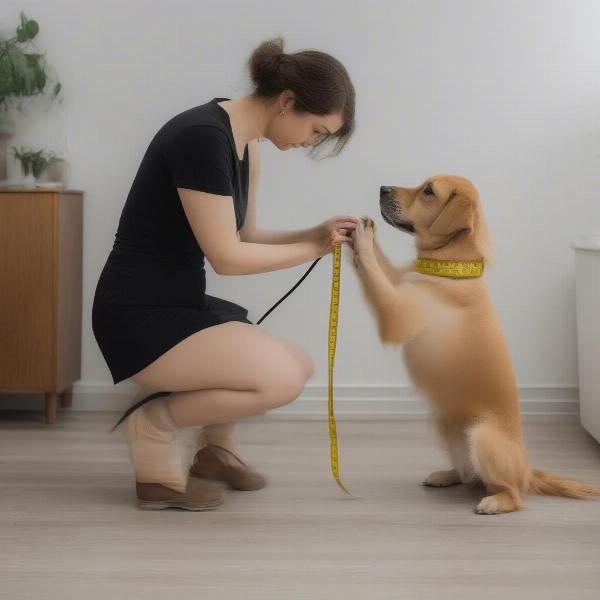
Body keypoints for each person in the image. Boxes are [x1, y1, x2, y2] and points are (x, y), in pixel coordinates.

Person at [91, 36, 357, 511]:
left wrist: (312, 233)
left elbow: (245, 235)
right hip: (136, 314)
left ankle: (215, 452)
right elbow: (227, 259)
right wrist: (310, 250)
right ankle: (153, 428)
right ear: (288, 101)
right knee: (279, 380)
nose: (309, 144)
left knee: (299, 364)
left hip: (179, 301)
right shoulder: (202, 137)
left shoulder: (245, 146)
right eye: (316, 130)